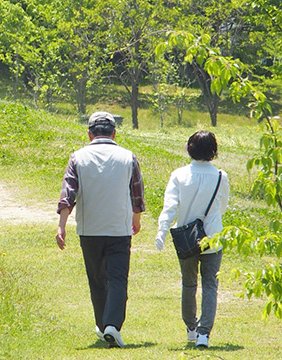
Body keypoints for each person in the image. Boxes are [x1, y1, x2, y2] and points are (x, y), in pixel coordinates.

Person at [55, 111, 145, 348]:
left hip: (90, 229)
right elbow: (136, 192)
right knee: (117, 279)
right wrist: (136, 218)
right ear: (115, 133)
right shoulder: (128, 157)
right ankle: (111, 326)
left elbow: (68, 194)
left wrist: (61, 226)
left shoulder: (78, 157)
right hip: (119, 228)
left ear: (89, 134)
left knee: (97, 279)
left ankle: (104, 325)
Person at [155, 130, 229, 348]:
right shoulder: (220, 176)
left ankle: (191, 328)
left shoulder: (179, 174)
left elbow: (170, 206)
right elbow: (222, 207)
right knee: (210, 285)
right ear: (213, 151)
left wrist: (162, 229)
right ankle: (204, 334)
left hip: (187, 239)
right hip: (213, 236)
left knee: (188, 284)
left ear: (190, 148)